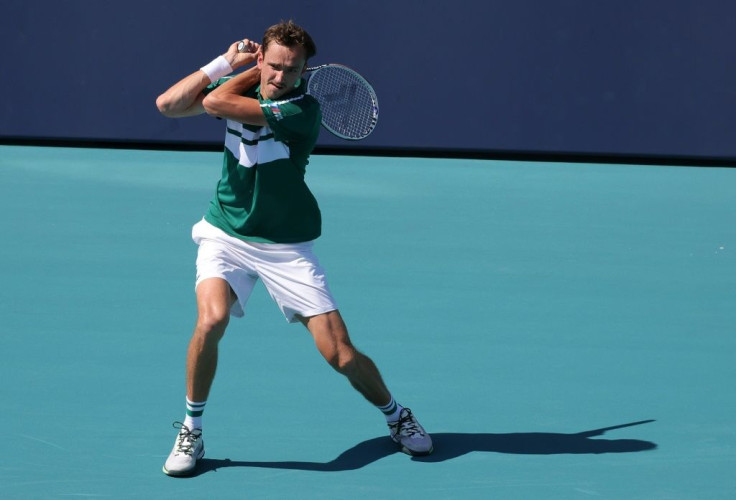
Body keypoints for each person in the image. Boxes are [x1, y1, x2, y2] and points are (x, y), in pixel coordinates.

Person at [155, 20, 433, 477]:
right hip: (225, 232)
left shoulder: (303, 111)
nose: (281, 77)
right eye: (275, 65)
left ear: (305, 72)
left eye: (293, 69)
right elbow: (168, 105)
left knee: (340, 354)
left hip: (285, 246)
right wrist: (226, 63)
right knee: (211, 319)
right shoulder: (241, 82)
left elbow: (215, 101)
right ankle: (192, 429)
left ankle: (395, 413)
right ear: (262, 59)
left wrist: (241, 68)